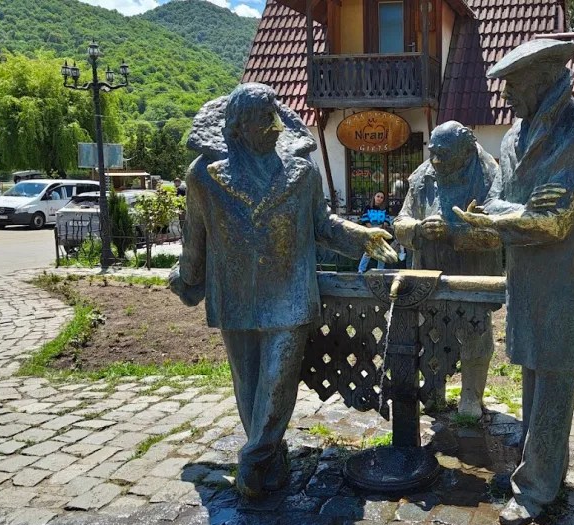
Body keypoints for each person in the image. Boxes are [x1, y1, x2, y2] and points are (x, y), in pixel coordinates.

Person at [169, 83, 397, 498]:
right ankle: (269, 461)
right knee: (249, 386)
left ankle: (253, 461)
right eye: (263, 119)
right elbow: (195, 238)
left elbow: (322, 226)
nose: (275, 126)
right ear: (238, 127)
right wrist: (187, 279)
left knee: (277, 383)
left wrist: (362, 237)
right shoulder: (204, 175)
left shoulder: (302, 172)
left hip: (289, 295)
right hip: (235, 296)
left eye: (275, 115)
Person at [454, 39, 574, 525]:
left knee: (554, 384)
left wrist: (504, 216)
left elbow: (555, 220)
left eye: (514, 84)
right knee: (533, 383)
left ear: (543, 80)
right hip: (524, 280)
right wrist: (508, 214)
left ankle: (537, 488)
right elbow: (502, 200)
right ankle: (540, 471)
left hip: (564, 284)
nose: (507, 96)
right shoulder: (514, 137)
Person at [394, 120, 504, 418]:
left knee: (475, 334)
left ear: (467, 151)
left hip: (473, 274)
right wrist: (418, 228)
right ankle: (433, 392)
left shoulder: (490, 176)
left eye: (444, 154)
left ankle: (471, 397)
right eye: (433, 152)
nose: (436, 161)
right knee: (431, 335)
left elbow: (497, 234)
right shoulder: (423, 176)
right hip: (429, 276)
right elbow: (400, 222)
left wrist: (453, 232)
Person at [357, 191, 390, 273]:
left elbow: (387, 220)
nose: (379, 198)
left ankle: (380, 271)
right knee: (368, 251)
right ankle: (361, 270)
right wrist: (372, 229)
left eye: (382, 197)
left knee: (381, 252)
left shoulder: (385, 209)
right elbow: (365, 219)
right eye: (378, 196)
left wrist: (379, 228)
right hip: (369, 230)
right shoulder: (368, 207)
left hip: (381, 231)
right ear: (374, 197)